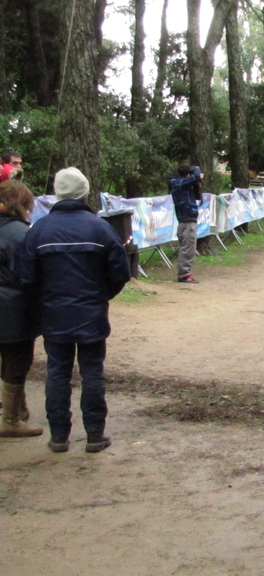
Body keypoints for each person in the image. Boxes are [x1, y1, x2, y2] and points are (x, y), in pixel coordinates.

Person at [16, 167, 130, 453]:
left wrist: (45, 300)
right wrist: (101, 296)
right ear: (84, 192)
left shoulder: (39, 229)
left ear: (57, 192)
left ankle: (59, 437)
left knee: (57, 374)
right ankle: (94, 434)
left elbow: (26, 275)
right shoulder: (99, 227)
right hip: (91, 314)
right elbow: (120, 271)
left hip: (54, 316)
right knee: (92, 373)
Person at [0, 180, 43, 438]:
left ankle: (19, 407)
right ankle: (11, 420)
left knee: (6, 358)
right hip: (13, 308)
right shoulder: (21, 234)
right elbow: (28, 275)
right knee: (17, 360)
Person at [170, 164, 204, 283]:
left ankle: (185, 273)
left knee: (188, 248)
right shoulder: (179, 184)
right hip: (186, 221)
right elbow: (195, 177)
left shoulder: (183, 185)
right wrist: (197, 170)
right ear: (187, 174)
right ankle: (184, 274)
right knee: (187, 248)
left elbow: (197, 195)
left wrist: (196, 186)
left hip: (188, 221)